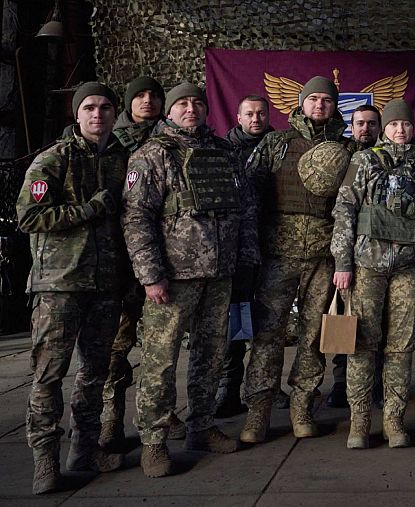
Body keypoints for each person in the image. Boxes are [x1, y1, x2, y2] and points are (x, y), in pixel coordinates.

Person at [122, 82, 259, 477]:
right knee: (160, 360)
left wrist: (245, 262)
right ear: (169, 111)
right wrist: (151, 276)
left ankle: (201, 426)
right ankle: (154, 441)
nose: (191, 109)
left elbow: (245, 209)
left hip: (220, 274)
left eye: (197, 103)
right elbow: (136, 218)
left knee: (211, 353)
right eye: (182, 103)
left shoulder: (224, 153)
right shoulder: (152, 155)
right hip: (172, 279)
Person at [18, 82, 128, 494]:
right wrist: (88, 209)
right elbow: (29, 217)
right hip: (59, 285)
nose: (97, 114)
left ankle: (84, 450)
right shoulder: (54, 159)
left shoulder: (121, 159)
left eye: (105, 107)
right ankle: (45, 461)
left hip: (106, 285)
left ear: (115, 113)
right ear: (77, 114)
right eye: (89, 108)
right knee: (49, 375)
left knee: (96, 372)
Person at [239, 76, 354, 443]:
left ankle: (302, 406)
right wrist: (251, 250)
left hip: (323, 257)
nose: (319, 105)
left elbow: (353, 206)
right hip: (278, 255)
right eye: (313, 99)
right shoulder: (276, 143)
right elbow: (251, 197)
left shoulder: (346, 148)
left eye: (326, 100)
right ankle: (258, 411)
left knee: (314, 336)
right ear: (301, 103)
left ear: (334, 106)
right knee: (268, 334)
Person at [332, 99, 415, 449]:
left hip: (410, 267)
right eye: (393, 125)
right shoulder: (363, 161)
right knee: (362, 344)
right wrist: (342, 263)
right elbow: (344, 209)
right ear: (384, 129)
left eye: (405, 124)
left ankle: (394, 420)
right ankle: (359, 422)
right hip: (367, 265)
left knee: (401, 347)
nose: (400, 130)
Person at [100, 75, 188, 451]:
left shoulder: (173, 141)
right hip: (117, 261)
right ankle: (110, 419)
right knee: (115, 346)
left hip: (160, 261)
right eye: (139, 95)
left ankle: (160, 413)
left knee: (160, 347)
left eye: (154, 95)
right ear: (127, 102)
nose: (148, 100)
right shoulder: (110, 143)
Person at [215, 95, 274, 419]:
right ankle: (230, 386)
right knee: (237, 319)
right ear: (238, 116)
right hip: (237, 251)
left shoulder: (279, 146)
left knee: (270, 320)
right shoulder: (223, 151)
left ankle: (266, 385)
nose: (256, 118)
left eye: (261, 113)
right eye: (249, 113)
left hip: (274, 244)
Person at [327, 104, 383, 409]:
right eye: (360, 123)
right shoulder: (341, 155)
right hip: (342, 249)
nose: (366, 129)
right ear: (351, 126)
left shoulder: (388, 157)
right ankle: (341, 381)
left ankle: (376, 383)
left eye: (372, 123)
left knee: (376, 323)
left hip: (376, 254)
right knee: (345, 318)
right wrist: (342, 258)